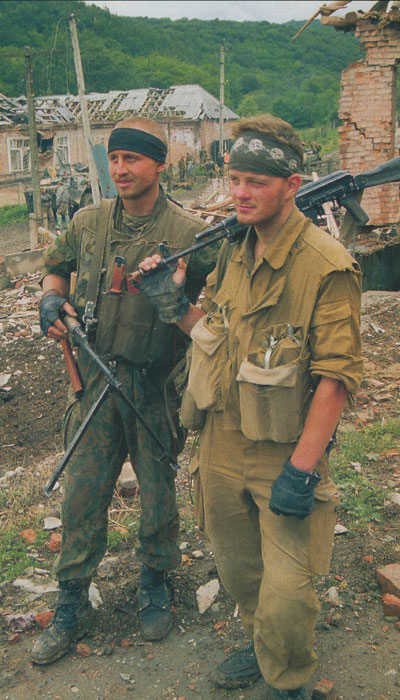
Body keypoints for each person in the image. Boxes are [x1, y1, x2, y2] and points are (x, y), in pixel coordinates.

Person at [132, 114, 363, 699]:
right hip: (221, 441)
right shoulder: (235, 250)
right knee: (239, 570)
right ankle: (264, 646)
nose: (240, 193)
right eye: (235, 179)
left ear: (291, 185)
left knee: (289, 588)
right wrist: (172, 304)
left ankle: (288, 680)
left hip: (284, 450)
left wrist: (302, 470)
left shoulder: (326, 264)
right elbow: (213, 334)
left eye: (256, 181)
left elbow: (336, 378)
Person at [32, 116, 217, 666]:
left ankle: (155, 582)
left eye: (132, 158)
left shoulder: (190, 234)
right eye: (114, 159)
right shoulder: (87, 222)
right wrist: (50, 300)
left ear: (160, 163)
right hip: (93, 381)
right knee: (82, 494)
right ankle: (71, 599)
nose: (120, 169)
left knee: (158, 492)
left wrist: (180, 304)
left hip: (154, 385)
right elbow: (54, 269)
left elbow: (221, 309)